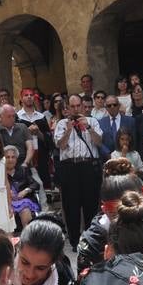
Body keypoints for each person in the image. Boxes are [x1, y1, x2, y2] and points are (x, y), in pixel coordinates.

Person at [54, 94, 102, 240]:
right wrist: (69, 130)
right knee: (71, 205)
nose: (75, 109)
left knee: (91, 204)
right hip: (70, 167)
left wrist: (87, 127)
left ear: (82, 106)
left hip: (88, 166)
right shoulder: (62, 124)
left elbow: (99, 142)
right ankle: (74, 240)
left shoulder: (92, 121)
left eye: (77, 106)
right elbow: (60, 145)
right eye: (72, 106)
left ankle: (91, 238)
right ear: (67, 108)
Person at [5, 145, 40, 227]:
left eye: (13, 157)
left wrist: (25, 191)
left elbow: (35, 184)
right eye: (7, 157)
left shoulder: (22, 170)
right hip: (7, 203)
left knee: (25, 210)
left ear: (16, 159)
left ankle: (27, 237)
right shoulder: (0, 172)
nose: (10, 160)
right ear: (3, 159)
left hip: (23, 201)